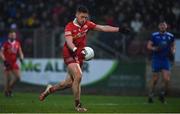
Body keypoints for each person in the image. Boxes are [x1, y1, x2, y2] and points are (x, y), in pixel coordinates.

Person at [39, 5, 130, 112]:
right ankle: (78, 105)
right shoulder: (69, 26)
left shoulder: (87, 24)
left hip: (80, 55)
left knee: (68, 83)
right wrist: (75, 50)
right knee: (78, 75)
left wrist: (119, 29)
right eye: (82, 17)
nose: (84, 20)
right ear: (76, 15)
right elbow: (69, 42)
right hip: (69, 53)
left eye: (86, 17)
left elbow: (102, 27)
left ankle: (49, 90)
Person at [147, 22, 175, 103]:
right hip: (156, 59)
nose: (162, 26)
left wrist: (173, 50)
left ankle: (162, 95)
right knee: (155, 79)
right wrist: (154, 48)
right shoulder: (154, 35)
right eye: (161, 25)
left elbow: (173, 45)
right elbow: (149, 46)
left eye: (164, 25)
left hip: (165, 59)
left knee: (166, 79)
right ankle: (151, 94)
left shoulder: (170, 36)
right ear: (159, 27)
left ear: (166, 26)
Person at [0, 31, 24, 97]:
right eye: (12, 35)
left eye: (14, 35)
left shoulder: (17, 43)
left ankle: (9, 89)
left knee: (18, 77)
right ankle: (7, 92)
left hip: (14, 62)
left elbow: (20, 52)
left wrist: (22, 58)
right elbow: (1, 52)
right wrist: (4, 60)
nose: (13, 36)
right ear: (9, 36)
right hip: (7, 62)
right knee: (8, 79)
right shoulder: (5, 43)